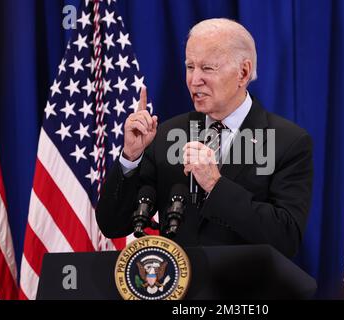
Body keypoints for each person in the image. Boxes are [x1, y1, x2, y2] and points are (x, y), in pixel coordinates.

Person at [96, 18, 313, 258]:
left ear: (243, 72)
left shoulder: (288, 141)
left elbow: (286, 237)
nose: (194, 79)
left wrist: (215, 185)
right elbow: (112, 224)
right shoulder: (167, 135)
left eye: (208, 68)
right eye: (190, 67)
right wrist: (131, 157)